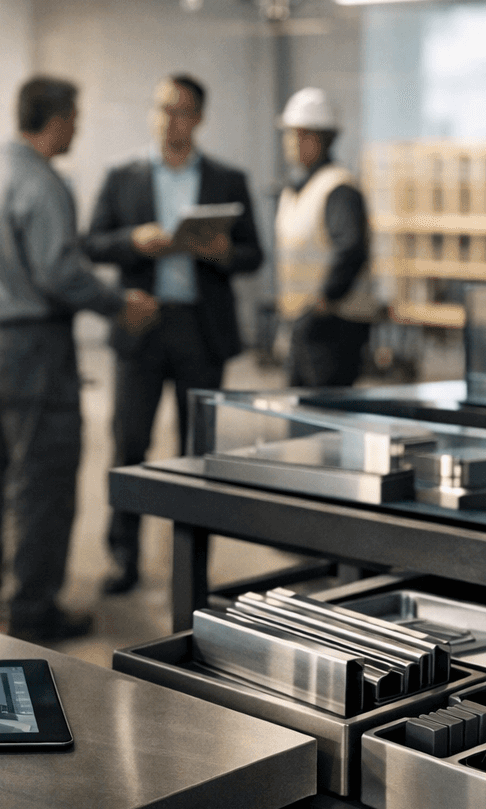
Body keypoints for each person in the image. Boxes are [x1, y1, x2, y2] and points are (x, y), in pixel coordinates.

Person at [0, 76, 158, 641]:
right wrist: (119, 304)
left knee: (0, 471)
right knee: (42, 479)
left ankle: (0, 592)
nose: (79, 127)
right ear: (57, 119)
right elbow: (58, 272)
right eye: (76, 116)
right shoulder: (43, 184)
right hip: (32, 347)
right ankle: (30, 609)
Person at [83, 75, 263, 595]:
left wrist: (219, 252)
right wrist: (133, 241)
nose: (170, 120)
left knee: (198, 452)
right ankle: (123, 559)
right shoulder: (123, 176)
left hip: (200, 330)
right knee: (129, 443)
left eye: (182, 111)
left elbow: (254, 254)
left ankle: (194, 564)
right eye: (162, 108)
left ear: (200, 118)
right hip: (143, 325)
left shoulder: (228, 180)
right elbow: (93, 244)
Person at [275, 87, 379, 388]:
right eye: (290, 133)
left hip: (333, 326)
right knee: (300, 416)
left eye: (300, 134)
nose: (291, 142)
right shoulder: (296, 190)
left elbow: (351, 249)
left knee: (325, 420)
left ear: (319, 138)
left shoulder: (338, 189)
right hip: (302, 321)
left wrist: (323, 299)